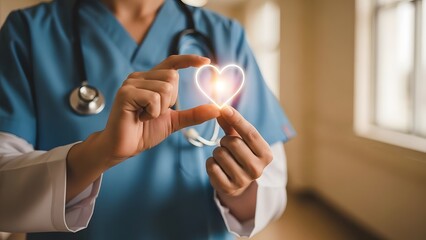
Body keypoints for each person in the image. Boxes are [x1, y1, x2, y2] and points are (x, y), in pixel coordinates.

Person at [0, 0, 295, 239]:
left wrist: (240, 189)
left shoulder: (224, 35)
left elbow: (271, 182)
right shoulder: (28, 32)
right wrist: (99, 152)